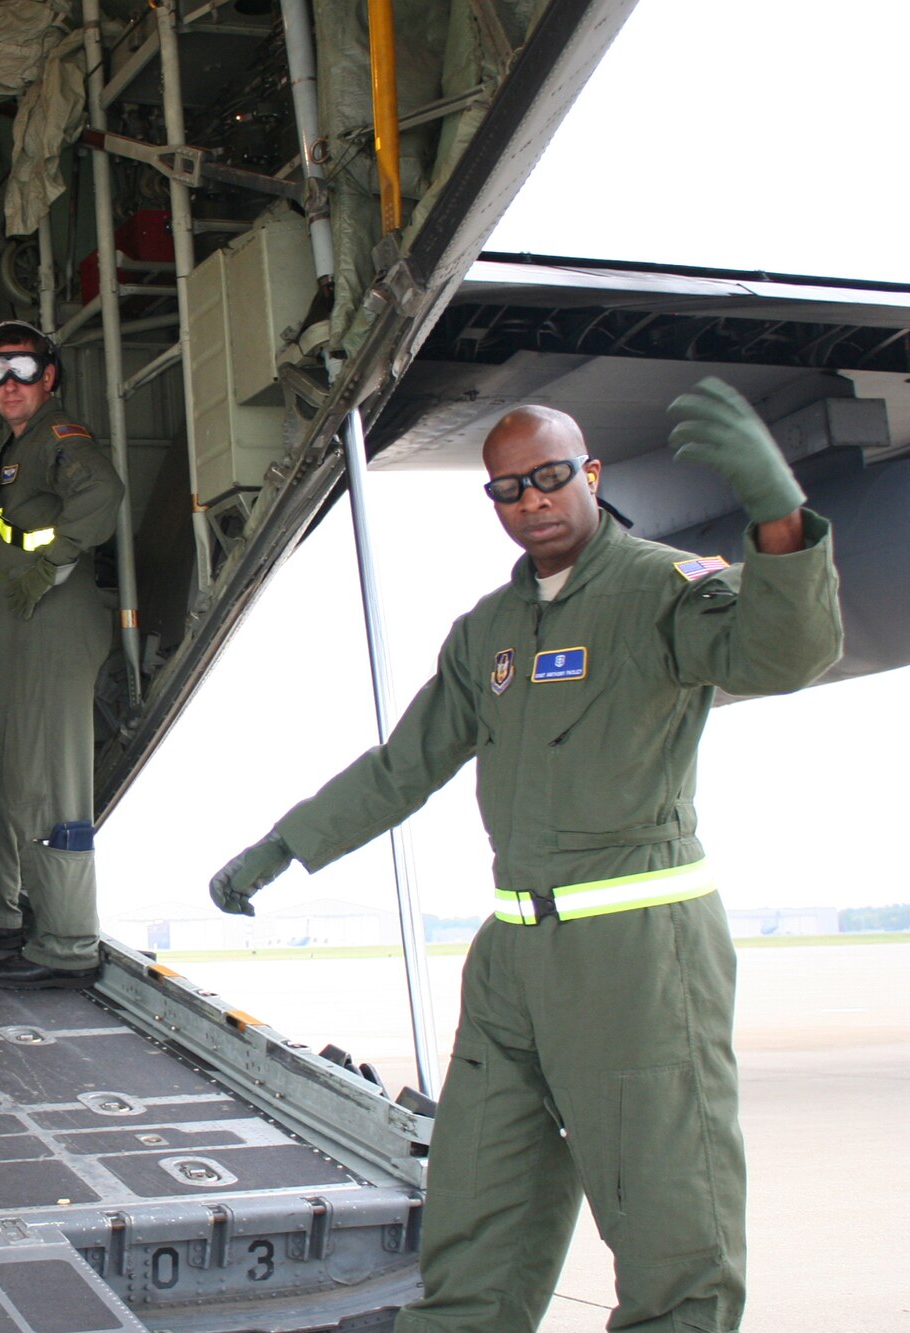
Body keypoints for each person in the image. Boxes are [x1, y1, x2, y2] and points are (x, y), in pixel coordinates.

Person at [208, 383, 843, 1332]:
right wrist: (284, 845)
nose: (531, 501)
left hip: (635, 955)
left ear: (588, 474)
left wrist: (778, 515)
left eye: (549, 478)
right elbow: (402, 765)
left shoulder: (661, 589)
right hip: (512, 959)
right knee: (478, 1217)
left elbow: (782, 655)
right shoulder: (488, 633)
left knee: (671, 1233)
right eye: (507, 489)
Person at [0, 322, 124, 989]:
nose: (7, 383)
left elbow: (102, 495)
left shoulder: (61, 438)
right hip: (16, 638)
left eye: (20, 368)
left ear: (50, 377)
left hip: (51, 626)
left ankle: (68, 940)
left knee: (46, 785)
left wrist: (51, 561)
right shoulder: (12, 448)